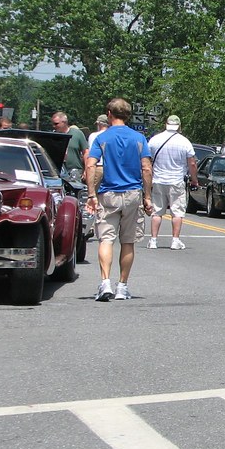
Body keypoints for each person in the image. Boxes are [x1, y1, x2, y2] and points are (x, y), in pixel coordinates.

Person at [84, 98, 153, 301]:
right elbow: (146, 168)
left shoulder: (102, 138)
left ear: (109, 114)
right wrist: (147, 196)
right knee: (128, 241)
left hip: (108, 194)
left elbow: (90, 165)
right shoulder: (139, 138)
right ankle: (122, 286)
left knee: (106, 239)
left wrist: (90, 195)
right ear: (128, 115)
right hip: (133, 193)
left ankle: (105, 283)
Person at [147, 114, 198, 250]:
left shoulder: (154, 140)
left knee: (157, 212)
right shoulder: (185, 142)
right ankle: (175, 240)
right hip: (176, 180)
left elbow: (147, 160)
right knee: (177, 212)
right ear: (179, 126)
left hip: (158, 180)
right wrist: (194, 180)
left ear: (166, 124)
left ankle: (153, 240)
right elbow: (192, 163)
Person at [51, 111, 89, 180]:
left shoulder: (77, 134)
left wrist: (86, 170)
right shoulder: (52, 136)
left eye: (56, 124)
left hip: (75, 172)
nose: (54, 126)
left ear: (64, 122)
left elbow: (86, 152)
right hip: (58, 173)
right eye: (53, 124)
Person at [86, 114, 109, 193]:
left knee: (94, 192)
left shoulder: (93, 136)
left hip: (97, 166)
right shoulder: (112, 135)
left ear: (99, 124)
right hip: (111, 168)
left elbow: (90, 154)